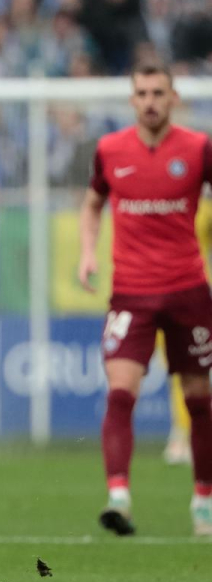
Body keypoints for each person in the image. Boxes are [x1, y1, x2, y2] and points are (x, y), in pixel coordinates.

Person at [78, 60, 212, 537]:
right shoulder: (110, 150)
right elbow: (92, 203)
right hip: (130, 293)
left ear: (173, 98)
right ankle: (118, 498)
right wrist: (87, 253)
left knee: (199, 399)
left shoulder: (198, 148)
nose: (150, 102)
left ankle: (204, 500)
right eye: (142, 93)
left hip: (188, 291)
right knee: (120, 392)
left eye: (158, 93)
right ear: (131, 100)